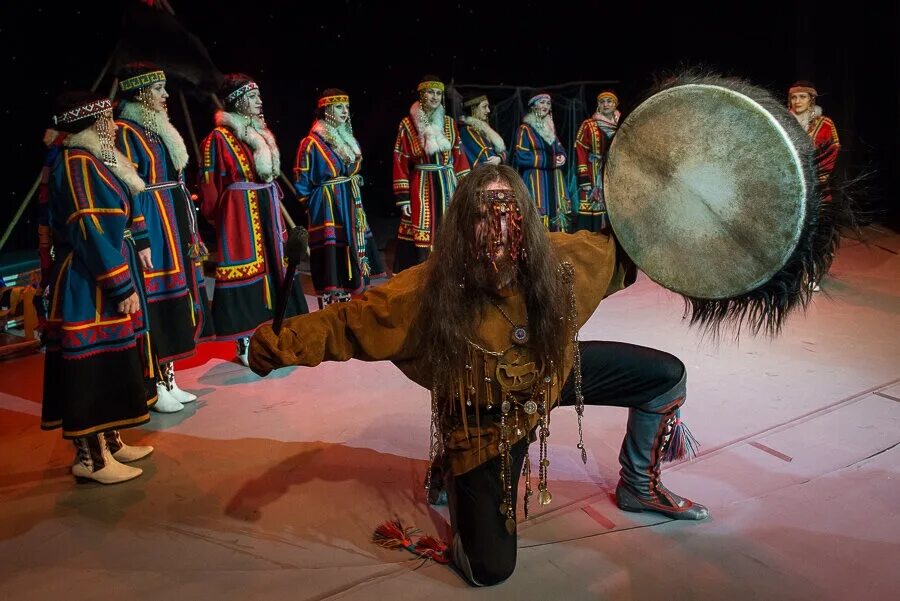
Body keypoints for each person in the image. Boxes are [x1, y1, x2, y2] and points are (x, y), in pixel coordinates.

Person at [249, 164, 707, 586]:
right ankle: (453, 468)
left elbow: (624, 247)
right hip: (483, 419)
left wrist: (680, 199)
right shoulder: (427, 289)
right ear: (464, 224)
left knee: (665, 376)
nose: (500, 227)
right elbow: (345, 323)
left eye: (510, 212)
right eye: (485, 214)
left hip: (550, 375)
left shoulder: (562, 259)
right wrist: (275, 345)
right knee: (489, 570)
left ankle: (639, 485)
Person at [42, 91, 156, 484]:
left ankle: (112, 440)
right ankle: (91, 459)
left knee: (113, 360)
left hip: (103, 271)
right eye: (106, 118)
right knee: (92, 365)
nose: (113, 125)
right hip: (88, 282)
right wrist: (119, 284)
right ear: (92, 124)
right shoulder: (77, 162)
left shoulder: (97, 159)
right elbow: (89, 227)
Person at [115, 62, 213, 411]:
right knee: (156, 295)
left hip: (173, 221)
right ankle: (156, 381)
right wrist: (141, 236)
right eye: (158, 89)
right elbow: (127, 187)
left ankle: (170, 377)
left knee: (177, 294)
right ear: (141, 93)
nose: (166, 95)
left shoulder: (158, 130)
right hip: (153, 222)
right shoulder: (125, 132)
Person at [198, 73, 308, 366]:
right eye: (253, 97)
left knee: (275, 266)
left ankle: (277, 331)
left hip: (267, 207)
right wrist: (220, 219)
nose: (259, 102)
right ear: (237, 101)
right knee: (245, 268)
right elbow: (210, 184)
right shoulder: (217, 139)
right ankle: (244, 340)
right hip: (240, 213)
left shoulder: (260, 131)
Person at [293, 89, 385, 304]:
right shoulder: (310, 143)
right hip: (327, 205)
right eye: (338, 107)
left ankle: (353, 288)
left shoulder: (347, 139)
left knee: (353, 243)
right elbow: (302, 181)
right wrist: (315, 205)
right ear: (326, 110)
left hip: (350, 200)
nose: (345, 112)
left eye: (346, 107)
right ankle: (334, 294)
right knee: (334, 249)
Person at [392, 75, 470, 272]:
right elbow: (399, 160)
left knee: (451, 230)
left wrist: (466, 188)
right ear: (421, 95)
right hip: (422, 185)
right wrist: (403, 198)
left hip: (447, 184)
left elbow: (459, 158)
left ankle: (451, 278)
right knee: (423, 233)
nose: (434, 97)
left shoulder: (450, 124)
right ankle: (423, 279)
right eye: (430, 92)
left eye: (438, 93)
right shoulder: (407, 124)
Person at [788, 80, 840, 291]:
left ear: (811, 100)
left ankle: (813, 272)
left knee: (816, 233)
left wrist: (817, 177)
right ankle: (790, 275)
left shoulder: (824, 124)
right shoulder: (784, 123)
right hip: (790, 190)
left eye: (802, 96)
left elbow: (833, 148)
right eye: (793, 97)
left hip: (815, 188)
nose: (797, 101)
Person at [512, 92, 570, 231]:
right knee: (539, 212)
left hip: (554, 178)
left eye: (548, 103)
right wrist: (550, 161)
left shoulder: (550, 128)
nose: (545, 106)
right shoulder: (525, 129)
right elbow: (521, 156)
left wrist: (562, 155)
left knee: (557, 212)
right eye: (542, 102)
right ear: (533, 106)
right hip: (536, 179)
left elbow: (559, 148)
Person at [573, 90, 620, 232]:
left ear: (615, 104)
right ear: (598, 105)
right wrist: (584, 178)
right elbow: (580, 148)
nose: (605, 104)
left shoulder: (622, 124)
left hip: (615, 172)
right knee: (593, 206)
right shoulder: (589, 124)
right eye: (602, 102)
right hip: (594, 173)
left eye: (609, 101)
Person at [458, 94, 507, 167]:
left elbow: (505, 151)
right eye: (484, 107)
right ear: (474, 108)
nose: (488, 110)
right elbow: (486, 158)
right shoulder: (467, 130)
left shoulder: (486, 128)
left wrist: (499, 158)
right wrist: (500, 157)